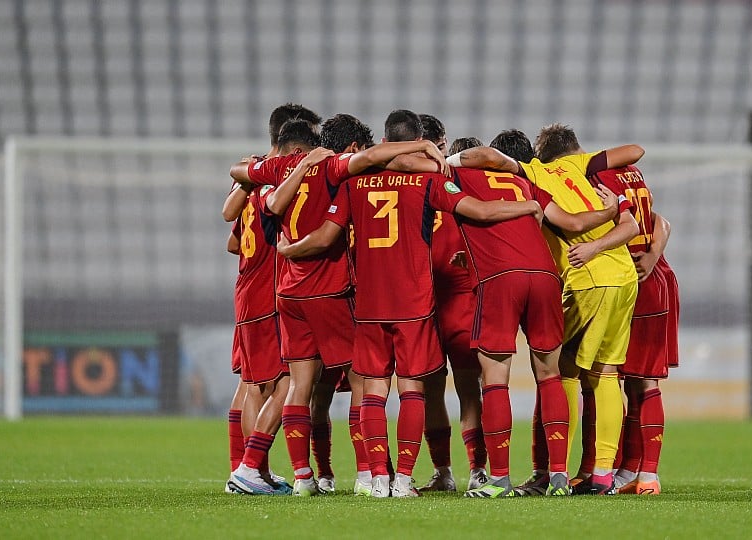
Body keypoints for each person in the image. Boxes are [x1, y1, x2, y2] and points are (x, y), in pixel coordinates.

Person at [275, 137, 544, 498]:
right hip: (416, 303)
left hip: (369, 303)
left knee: (373, 390)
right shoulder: (430, 180)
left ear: (386, 141)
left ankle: (376, 478)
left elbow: (326, 234)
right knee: (416, 389)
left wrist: (289, 250)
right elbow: (479, 211)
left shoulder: (354, 183)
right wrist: (527, 205)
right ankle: (405, 479)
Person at [451, 126, 642, 496]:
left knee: (524, 375)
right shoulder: (576, 167)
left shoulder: (522, 175)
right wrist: (613, 207)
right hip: (614, 277)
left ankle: (514, 476)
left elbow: (490, 199)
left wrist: (441, 163)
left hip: (576, 279)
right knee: (596, 373)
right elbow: (633, 157)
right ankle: (589, 475)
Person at [221, 103, 321, 495]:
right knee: (280, 385)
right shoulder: (280, 177)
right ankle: (249, 470)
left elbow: (231, 235)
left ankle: (248, 471)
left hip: (247, 288)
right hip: (266, 292)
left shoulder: (253, 173)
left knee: (253, 384)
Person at [570, 164, 680, 496]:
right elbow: (660, 220)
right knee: (621, 379)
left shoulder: (597, 179)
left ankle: (645, 473)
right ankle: (625, 469)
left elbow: (639, 223)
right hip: (645, 275)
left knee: (627, 378)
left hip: (635, 279)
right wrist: (654, 252)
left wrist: (648, 255)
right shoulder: (629, 173)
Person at [406, 114, 487, 492]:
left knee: (468, 387)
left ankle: (478, 470)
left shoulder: (459, 179)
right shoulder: (411, 183)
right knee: (430, 389)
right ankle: (444, 472)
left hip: (458, 297)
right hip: (424, 299)